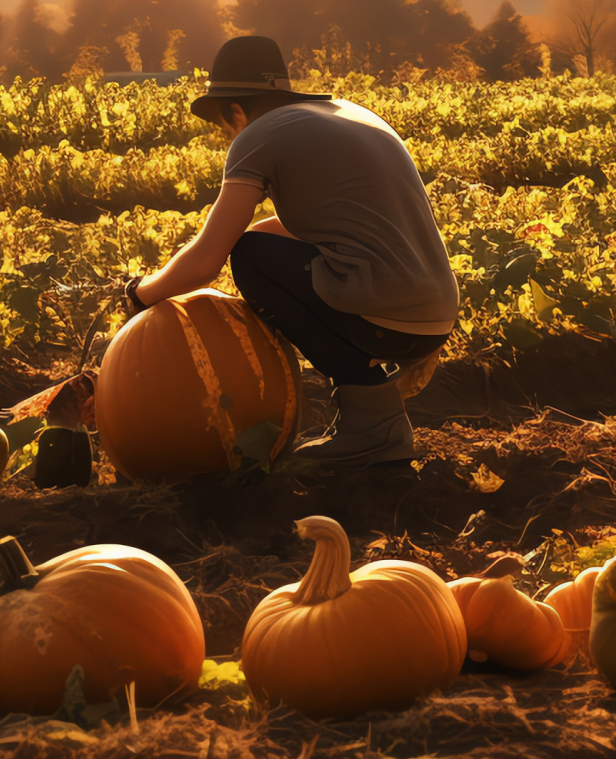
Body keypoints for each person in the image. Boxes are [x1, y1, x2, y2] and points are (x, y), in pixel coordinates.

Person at [120, 35, 458, 465]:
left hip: (386, 318)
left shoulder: (259, 134)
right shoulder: (349, 115)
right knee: (261, 246)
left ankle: (374, 427)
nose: (229, 137)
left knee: (250, 258)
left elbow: (208, 259)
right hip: (436, 315)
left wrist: (139, 294)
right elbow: (306, 227)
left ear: (236, 111)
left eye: (226, 128)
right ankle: (375, 421)